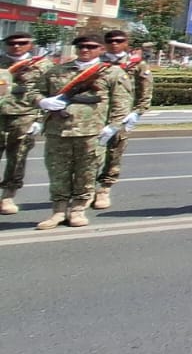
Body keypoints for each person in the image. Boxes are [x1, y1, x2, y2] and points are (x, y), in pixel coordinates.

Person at [29, 33, 131, 230]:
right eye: (81, 47)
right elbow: (35, 91)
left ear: (101, 49)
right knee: (58, 172)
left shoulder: (112, 73)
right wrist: (42, 101)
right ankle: (58, 211)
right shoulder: (57, 71)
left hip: (91, 132)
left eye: (91, 47)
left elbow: (122, 104)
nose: (85, 50)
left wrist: (113, 127)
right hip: (58, 132)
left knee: (86, 173)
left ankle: (77, 210)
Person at [92, 31, 152, 212]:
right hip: (94, 114)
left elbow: (145, 89)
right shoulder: (96, 62)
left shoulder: (136, 64)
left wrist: (138, 112)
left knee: (114, 152)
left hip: (122, 116)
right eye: (110, 41)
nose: (114, 44)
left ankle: (104, 188)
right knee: (90, 153)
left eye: (119, 41)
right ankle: (86, 190)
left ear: (126, 43)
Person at [0, 31, 51, 215]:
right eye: (12, 43)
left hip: (25, 116)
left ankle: (7, 196)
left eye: (22, 42)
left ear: (30, 44)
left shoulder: (42, 65)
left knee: (17, 158)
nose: (16, 46)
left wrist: (40, 119)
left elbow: (49, 93)